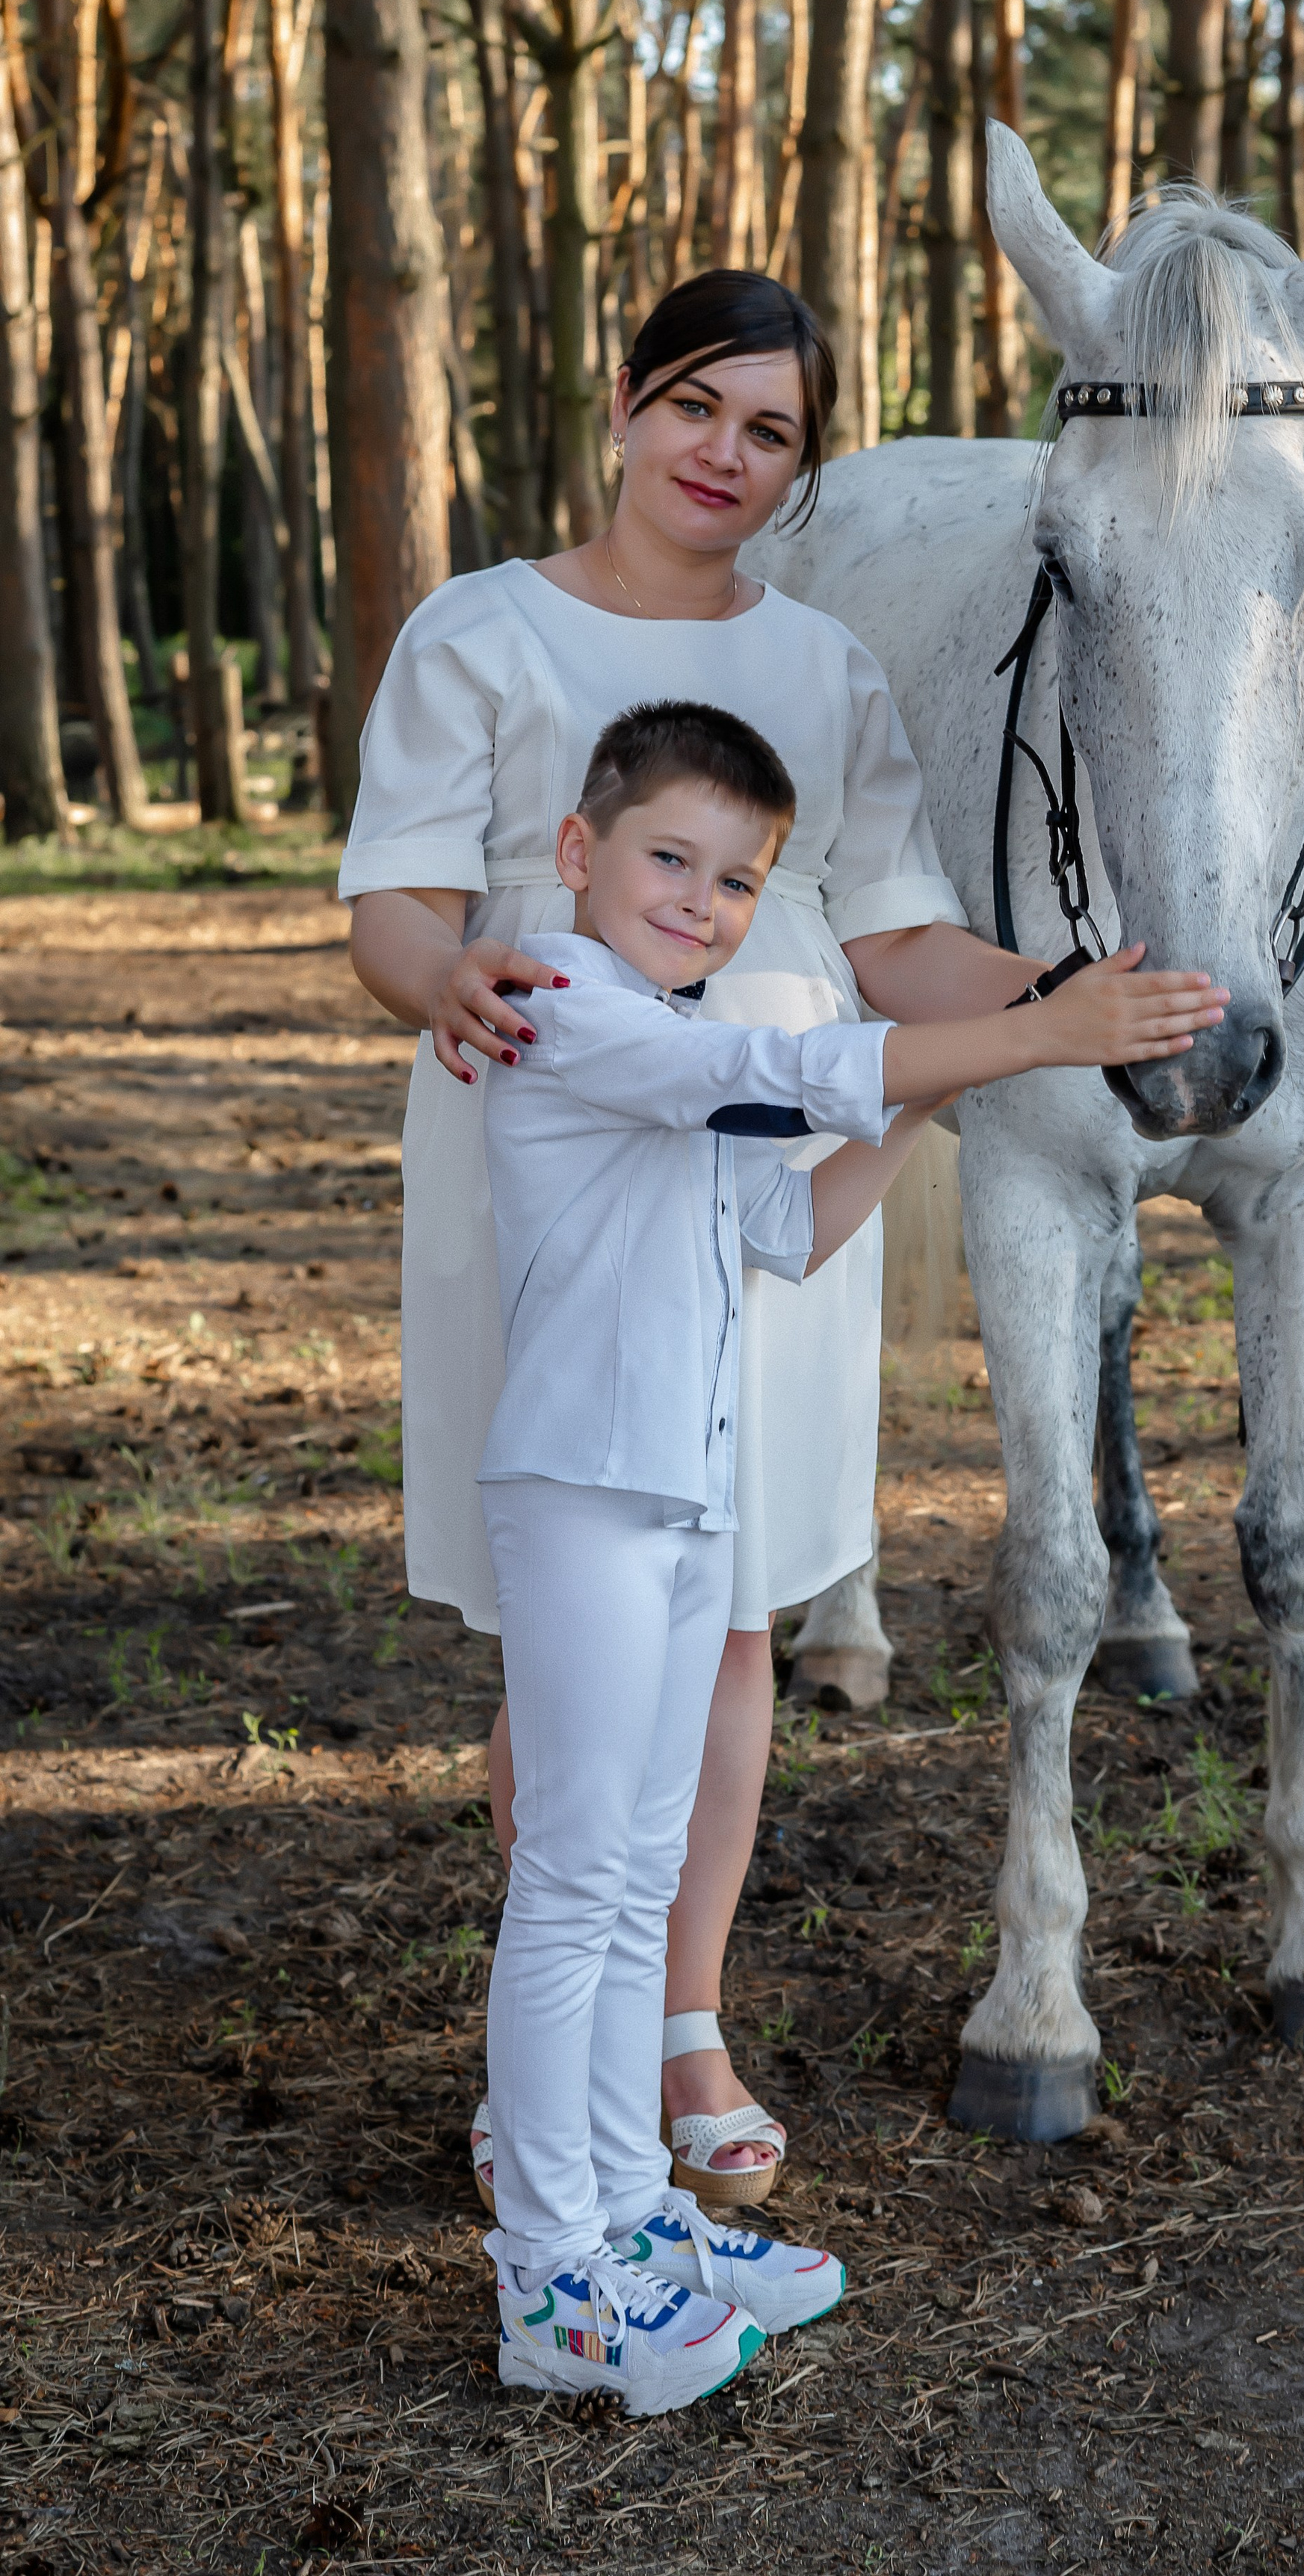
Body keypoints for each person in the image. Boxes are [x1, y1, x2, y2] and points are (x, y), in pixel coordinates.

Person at [343, 271, 1048, 2208]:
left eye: (770, 433)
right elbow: (395, 898)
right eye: (697, 409)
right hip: (540, 1120)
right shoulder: (479, 631)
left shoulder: (826, 669)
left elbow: (900, 942)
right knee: (565, 1602)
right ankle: (555, 2059)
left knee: (727, 1603)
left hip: (778, 1131)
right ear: (628, 404)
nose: (724, 457)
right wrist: (448, 980)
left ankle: (685, 2019)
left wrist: (1065, 989)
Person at [478, 696, 1226, 2413]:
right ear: (583, 855)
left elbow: (790, 1222)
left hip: (674, 1499)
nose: (701, 898)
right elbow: (768, 1067)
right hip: (584, 1488)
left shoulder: (658, 1041)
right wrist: (1026, 1034)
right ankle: (546, 2276)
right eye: (670, 857)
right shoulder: (568, 1003)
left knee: (638, 1864)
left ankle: (629, 2212)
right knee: (577, 1878)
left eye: (738, 880)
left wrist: (931, 1108)